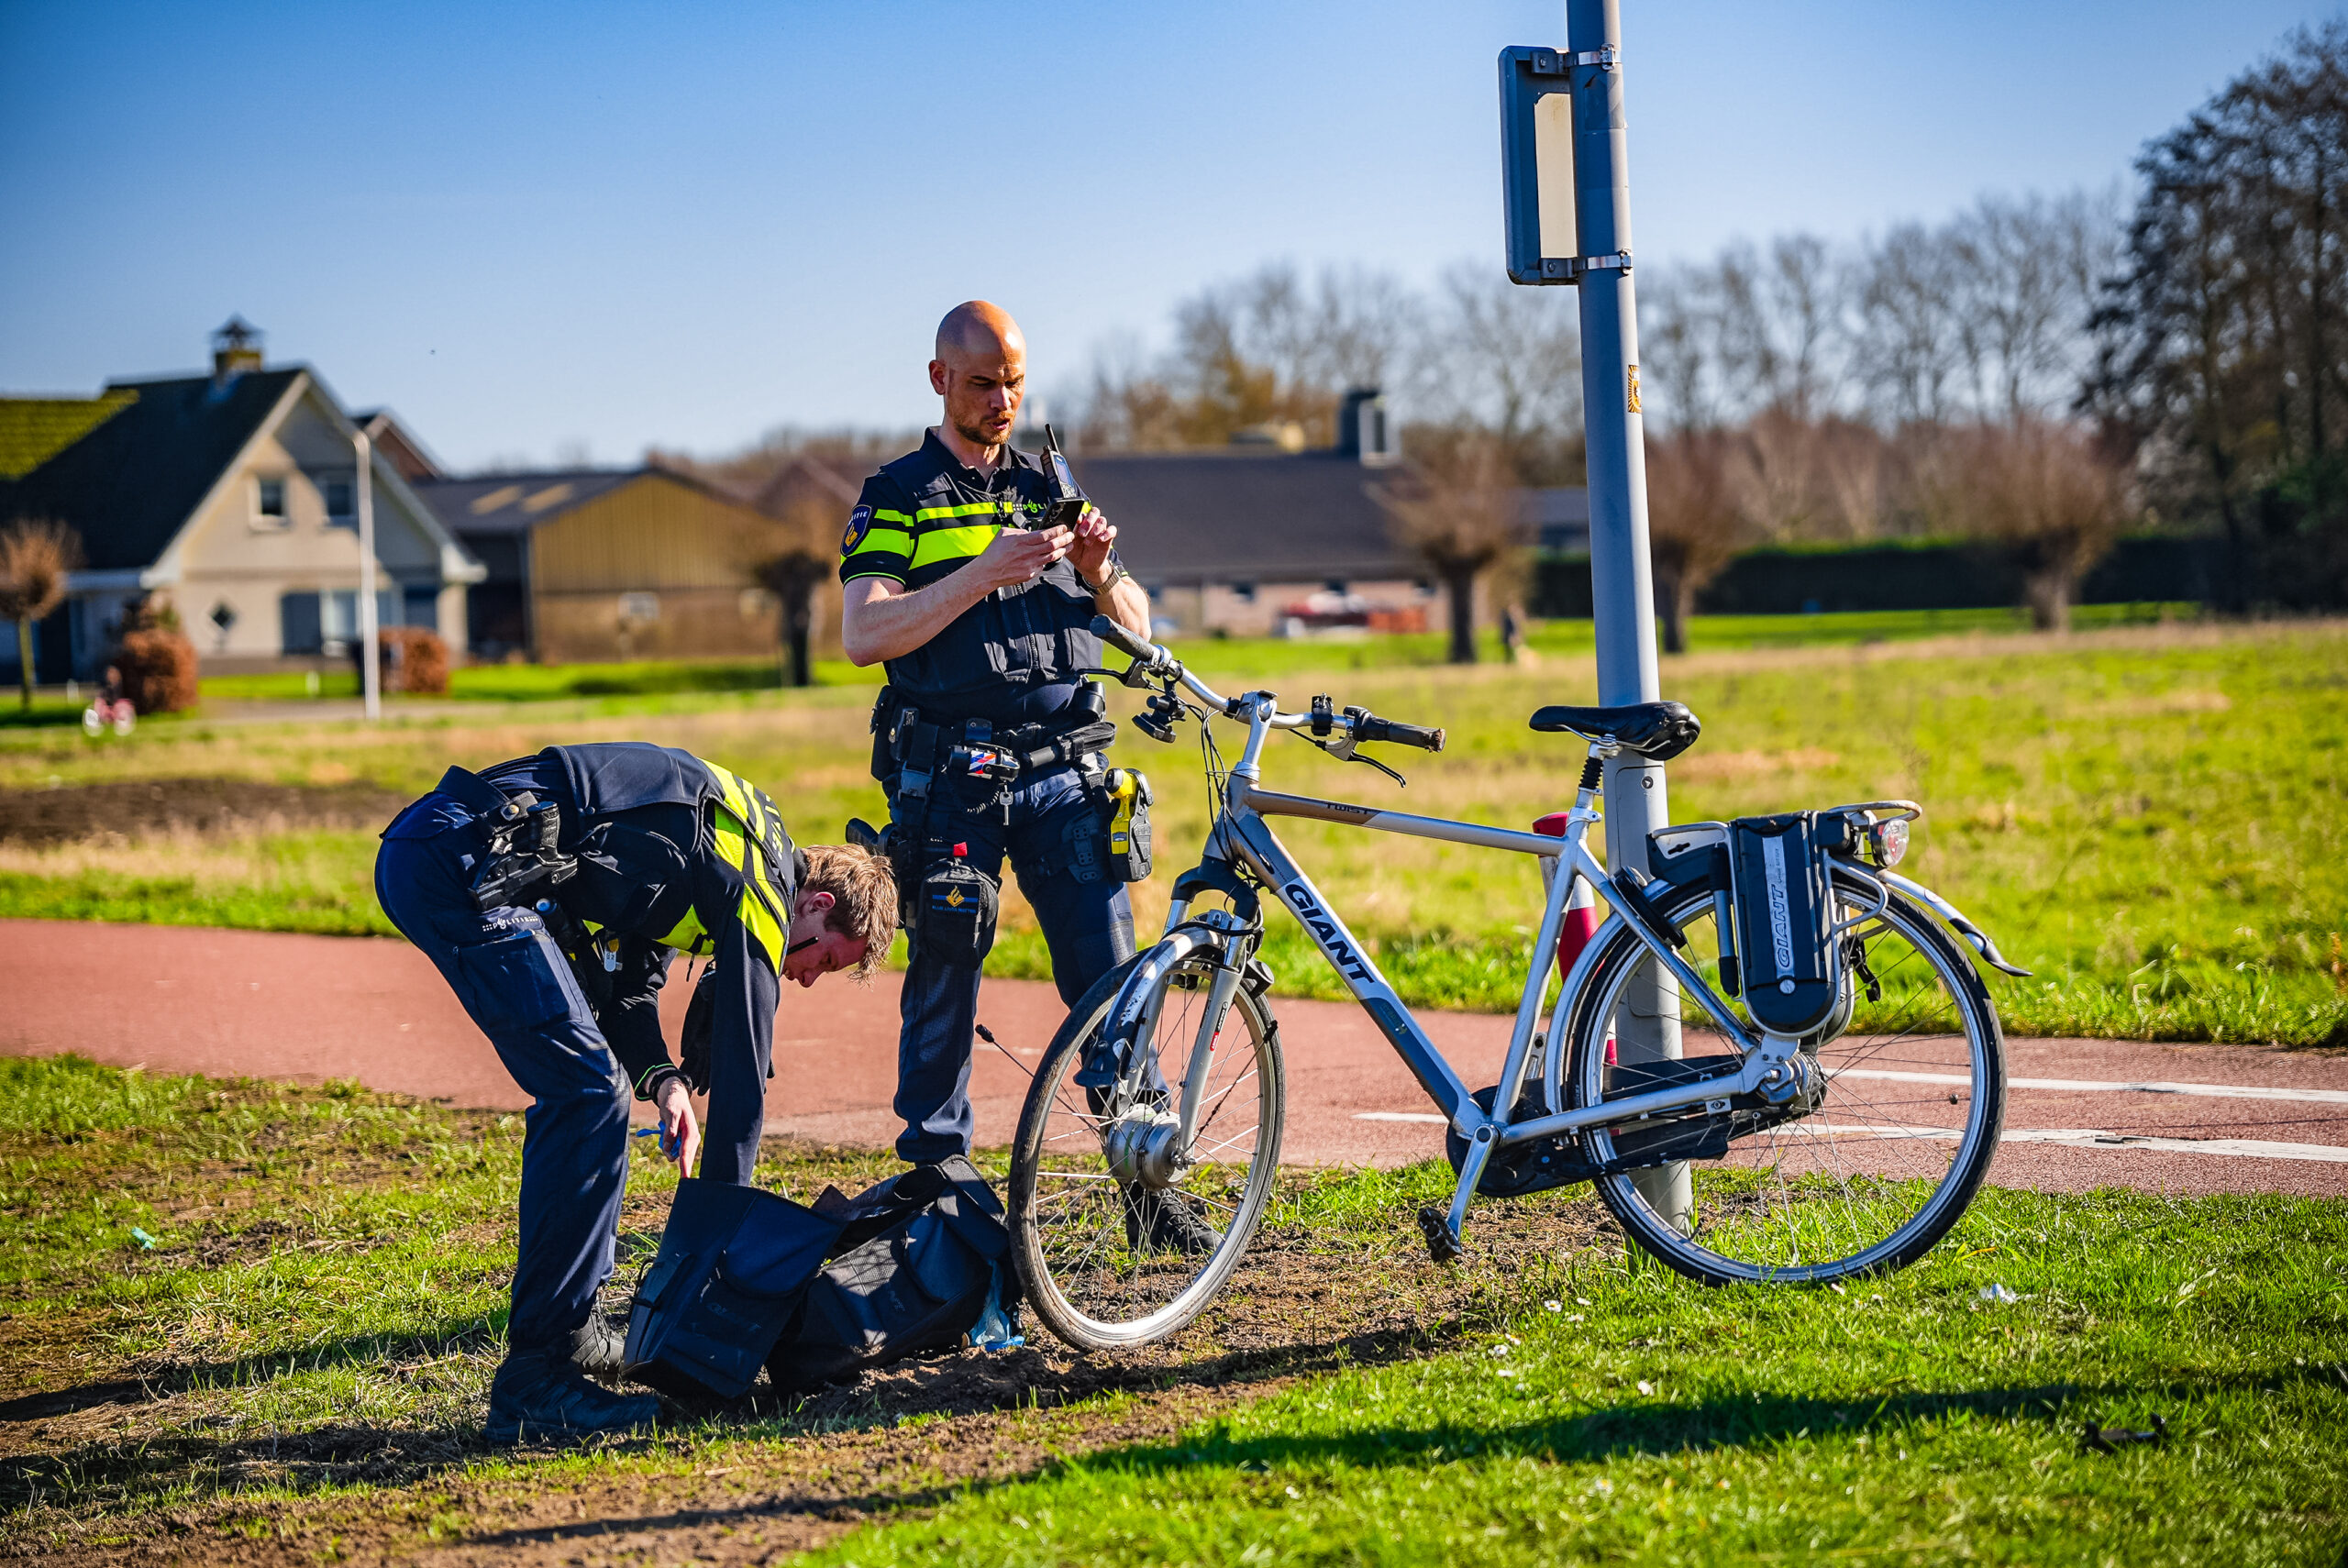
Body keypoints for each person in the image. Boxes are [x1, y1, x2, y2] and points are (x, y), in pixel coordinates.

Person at [374, 741, 895, 1442]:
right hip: (457, 863)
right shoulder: (763, 898)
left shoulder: (738, 840)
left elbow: (627, 986)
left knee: (599, 1088)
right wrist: (714, 1269)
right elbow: (743, 1096)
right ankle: (536, 1379)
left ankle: (576, 1326)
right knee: (587, 1097)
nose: (806, 979)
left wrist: (667, 1083)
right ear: (817, 904)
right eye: (824, 961)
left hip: (448, 846)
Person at [837, 302, 1209, 1250]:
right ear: (937, 381)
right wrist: (979, 575)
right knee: (945, 978)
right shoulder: (899, 495)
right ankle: (934, 1198)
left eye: (1012, 383)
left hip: (1068, 776)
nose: (1000, 402)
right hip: (951, 778)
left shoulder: (1049, 485)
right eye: (980, 384)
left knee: (1112, 982)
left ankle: (1144, 1183)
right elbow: (862, 633)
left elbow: (1136, 625)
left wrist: (1094, 571)